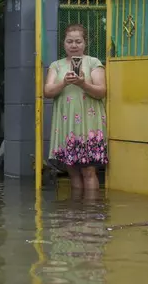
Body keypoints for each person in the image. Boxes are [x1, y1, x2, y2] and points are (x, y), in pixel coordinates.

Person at [44, 24, 108, 191]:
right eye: (69, 41)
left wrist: (82, 83)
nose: (73, 45)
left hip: (89, 125)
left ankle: (90, 212)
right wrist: (64, 82)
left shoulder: (94, 62)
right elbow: (47, 91)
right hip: (66, 126)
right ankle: (75, 213)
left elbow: (101, 91)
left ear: (85, 43)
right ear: (64, 43)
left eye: (78, 41)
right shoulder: (56, 66)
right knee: (73, 172)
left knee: (88, 171)